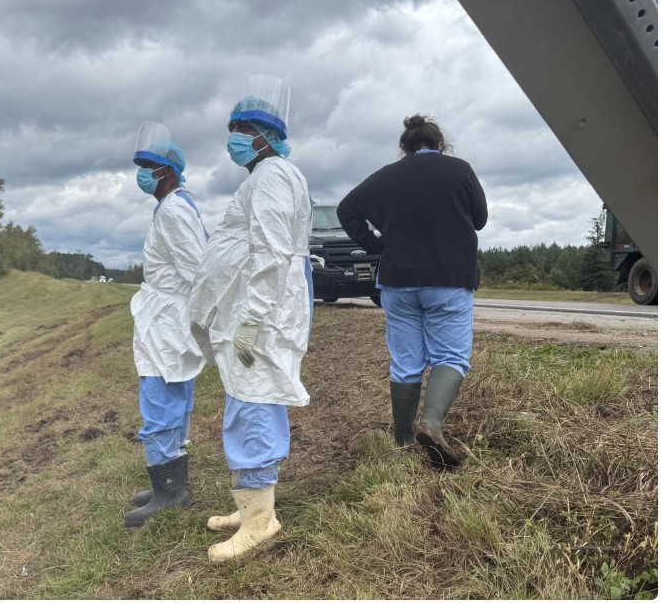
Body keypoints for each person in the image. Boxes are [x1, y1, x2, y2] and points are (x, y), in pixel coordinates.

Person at [188, 75, 313, 561]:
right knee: (250, 402)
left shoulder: (273, 176)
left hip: (261, 313)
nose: (234, 136)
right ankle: (253, 504)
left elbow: (271, 251)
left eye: (244, 127)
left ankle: (261, 521)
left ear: (267, 135)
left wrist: (254, 318)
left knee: (252, 406)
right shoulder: (266, 177)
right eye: (232, 126)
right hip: (253, 310)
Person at [336, 114, 487, 467]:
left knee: (406, 363)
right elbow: (479, 219)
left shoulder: (387, 176)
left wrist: (374, 244)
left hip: (398, 280)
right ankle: (431, 425)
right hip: (449, 277)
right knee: (450, 356)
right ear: (440, 144)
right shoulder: (460, 169)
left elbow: (347, 209)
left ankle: (403, 441)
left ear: (405, 148)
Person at [124, 121, 209, 528]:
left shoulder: (174, 211)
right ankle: (170, 481)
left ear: (168, 172)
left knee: (159, 399)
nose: (142, 173)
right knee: (171, 397)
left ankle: (170, 490)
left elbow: (196, 269)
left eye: (149, 166)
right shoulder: (172, 208)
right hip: (166, 317)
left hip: (168, 320)